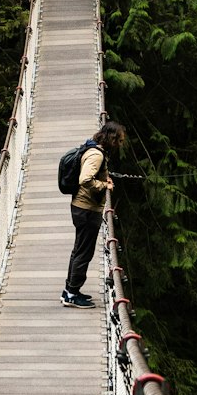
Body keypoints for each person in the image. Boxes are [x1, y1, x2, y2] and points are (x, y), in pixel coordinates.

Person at [60, 120, 127, 307]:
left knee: (79, 250)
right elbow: (85, 179)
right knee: (84, 253)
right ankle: (72, 294)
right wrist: (105, 185)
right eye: (119, 140)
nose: (120, 144)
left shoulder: (93, 149)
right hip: (87, 210)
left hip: (82, 207)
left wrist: (104, 178)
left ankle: (69, 290)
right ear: (111, 139)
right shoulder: (96, 155)